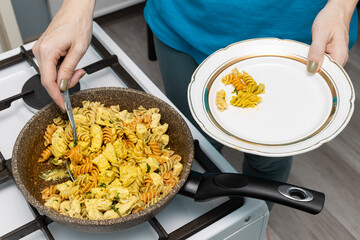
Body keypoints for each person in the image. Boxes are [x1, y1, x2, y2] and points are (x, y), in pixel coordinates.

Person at [33, 0, 358, 210]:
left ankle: (255, 215)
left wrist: (342, 6)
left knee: (269, 161)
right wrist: (76, 7)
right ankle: (221, 214)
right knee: (195, 145)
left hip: (297, 41)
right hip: (186, 22)